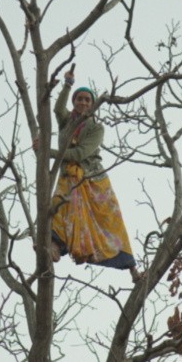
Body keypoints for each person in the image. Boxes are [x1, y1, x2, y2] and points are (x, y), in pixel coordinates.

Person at [48, 71, 142, 283]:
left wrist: (49, 152)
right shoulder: (66, 123)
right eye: (79, 99)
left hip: (93, 177)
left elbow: (80, 154)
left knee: (111, 221)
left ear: (92, 105)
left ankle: (132, 269)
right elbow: (56, 108)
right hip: (69, 176)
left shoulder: (96, 128)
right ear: (74, 102)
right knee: (59, 206)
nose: (83, 102)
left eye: (87, 100)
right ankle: (55, 245)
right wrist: (67, 85)